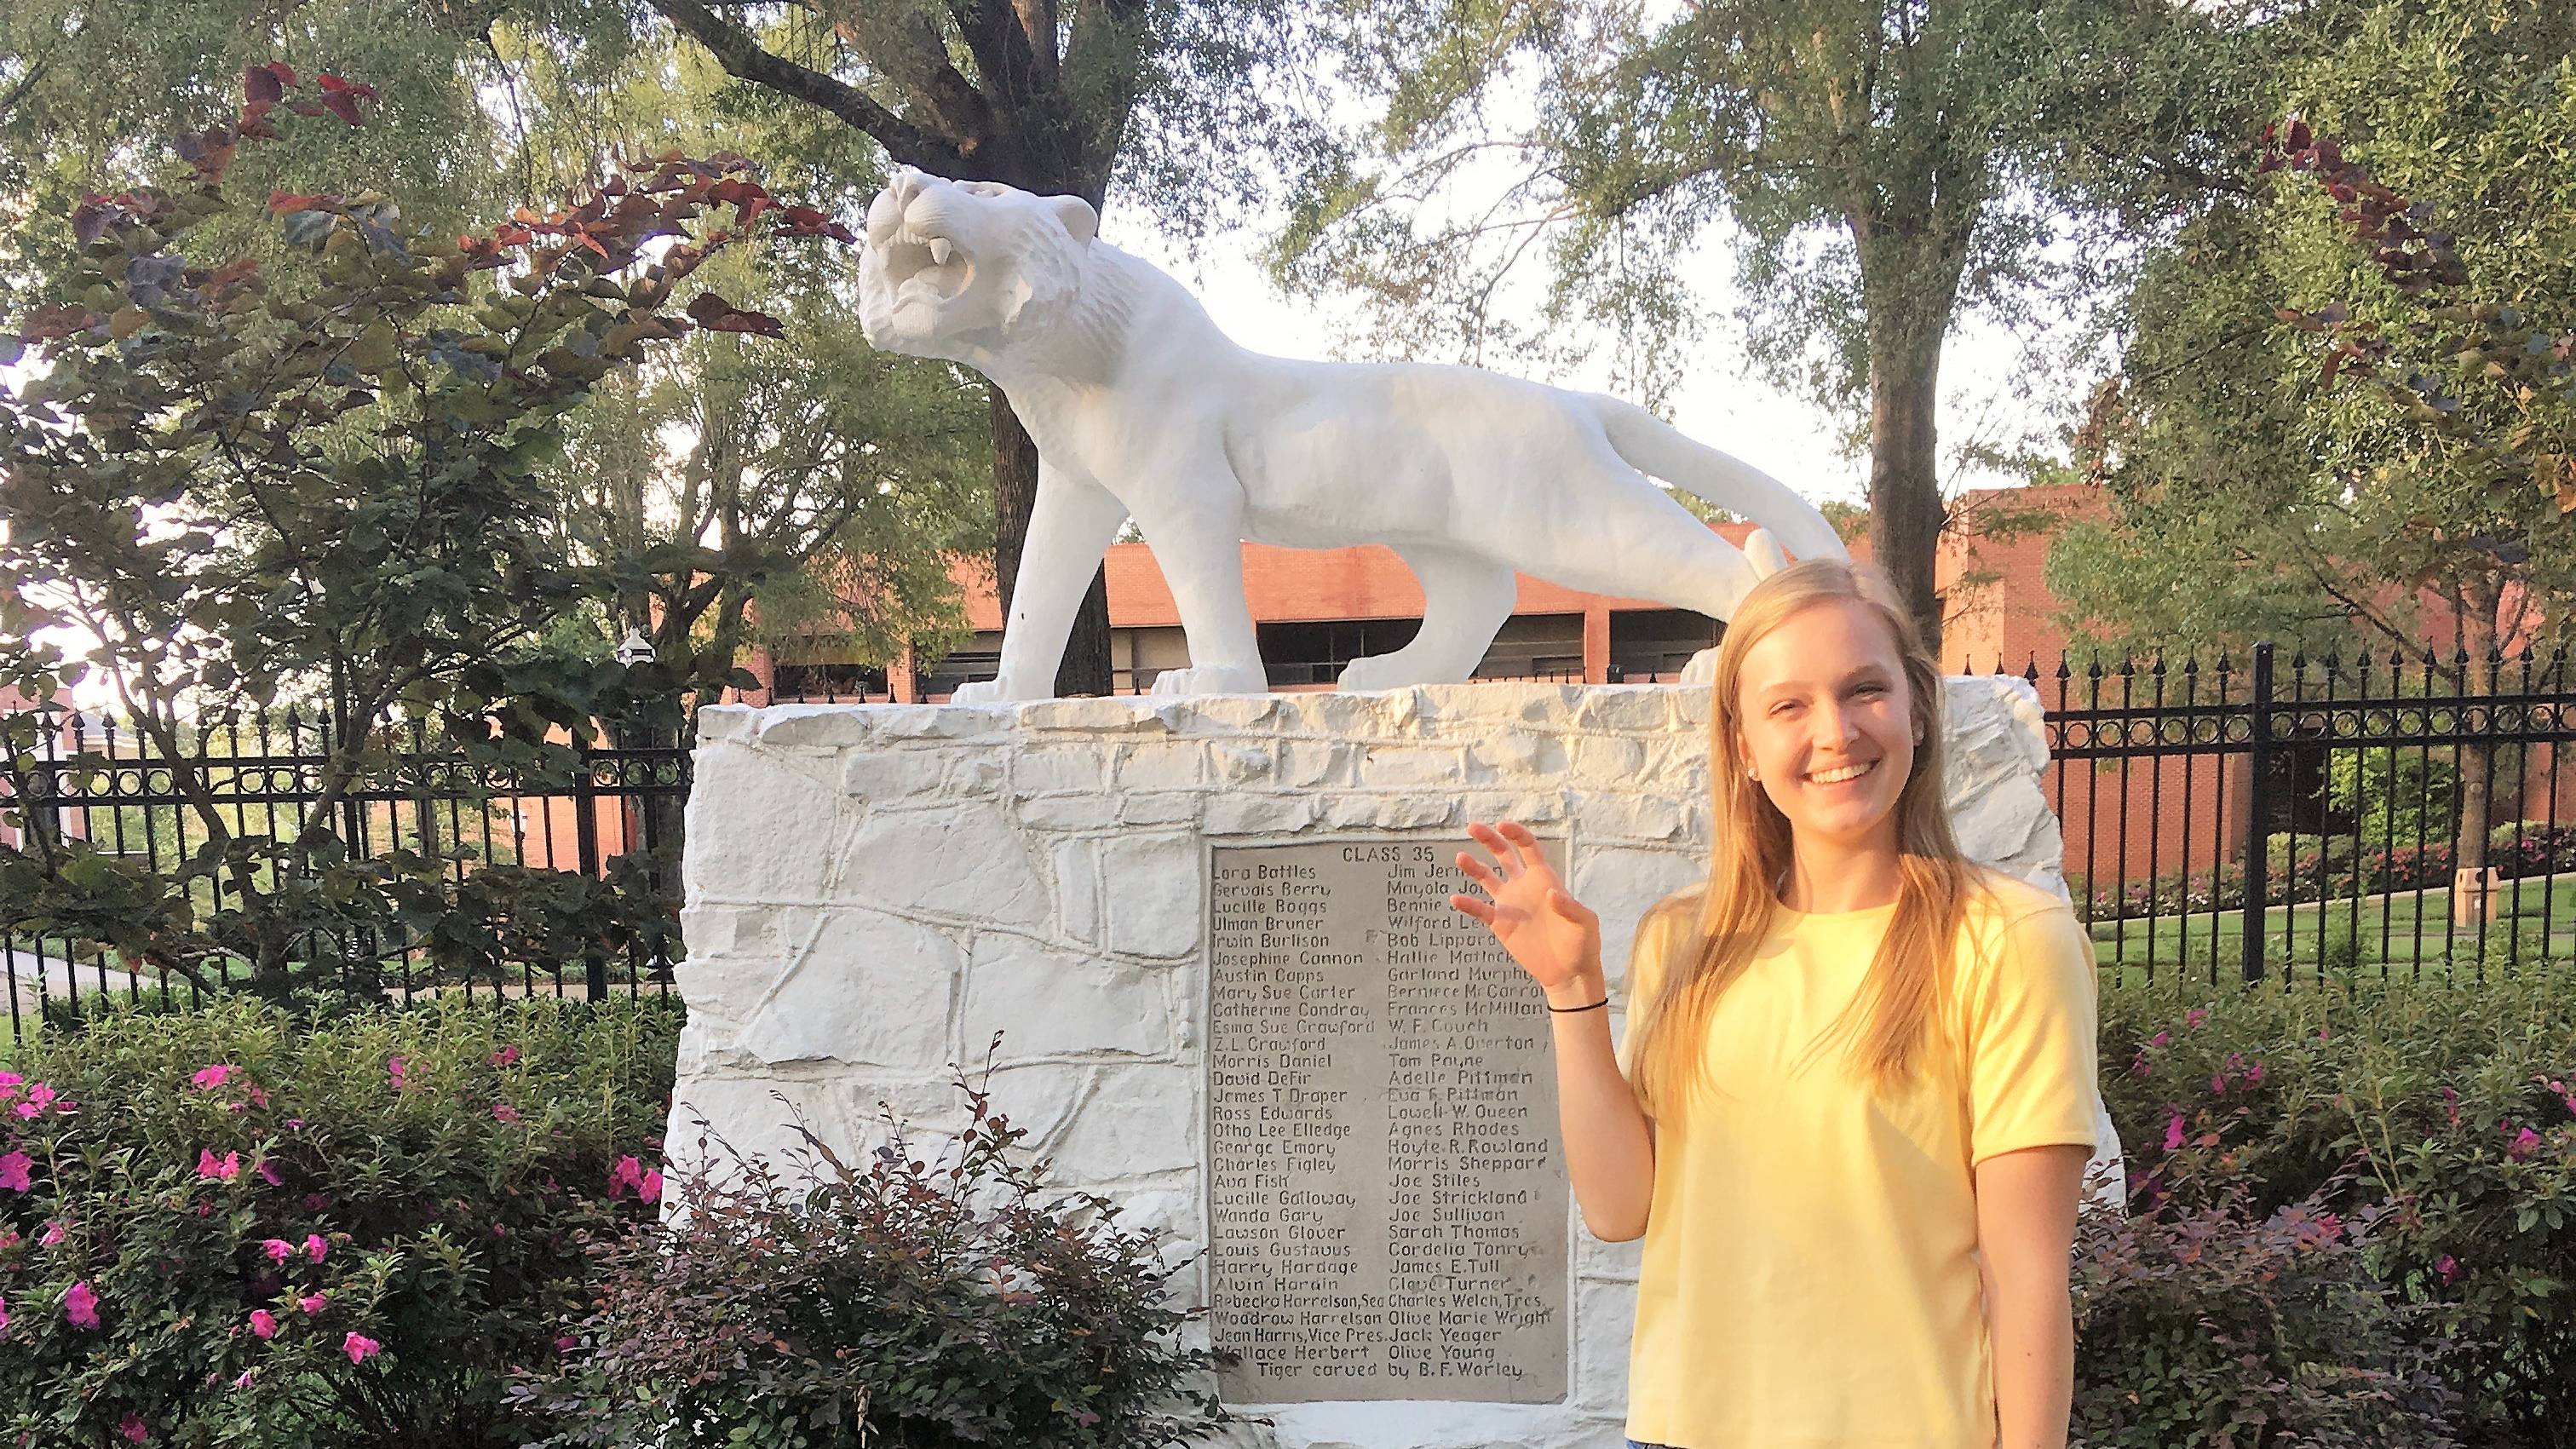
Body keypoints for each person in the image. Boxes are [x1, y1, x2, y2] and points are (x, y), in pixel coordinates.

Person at [1447, 558, 2100, 1449]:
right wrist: (1571, 988)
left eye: (1864, 690)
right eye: (1789, 705)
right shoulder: (1685, 944)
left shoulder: (2008, 940)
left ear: (1915, 707)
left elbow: (2028, 1278)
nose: (1834, 732)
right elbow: (1619, 1208)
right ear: (1745, 746)